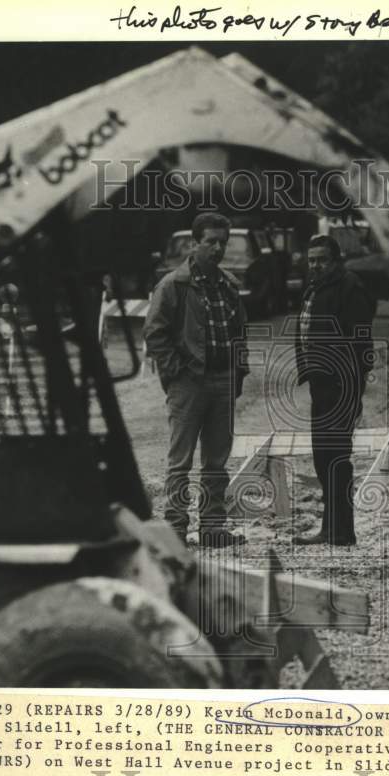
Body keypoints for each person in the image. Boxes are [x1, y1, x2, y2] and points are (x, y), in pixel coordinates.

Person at [144, 212, 248, 548]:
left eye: (222, 242)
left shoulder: (229, 286)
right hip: (188, 385)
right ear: (194, 243)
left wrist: (238, 373)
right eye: (210, 242)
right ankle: (175, 530)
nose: (217, 249)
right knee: (180, 461)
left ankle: (213, 528)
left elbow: (239, 334)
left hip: (222, 381)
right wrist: (176, 371)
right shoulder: (174, 284)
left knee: (216, 461)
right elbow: (154, 333)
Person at [294, 234, 377, 546]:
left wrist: (352, 392)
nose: (315, 265)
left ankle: (342, 532)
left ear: (336, 260)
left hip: (341, 386)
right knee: (324, 458)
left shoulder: (349, 287)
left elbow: (360, 343)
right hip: (321, 384)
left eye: (322, 260)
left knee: (337, 458)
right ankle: (330, 529)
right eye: (311, 260)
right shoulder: (317, 286)